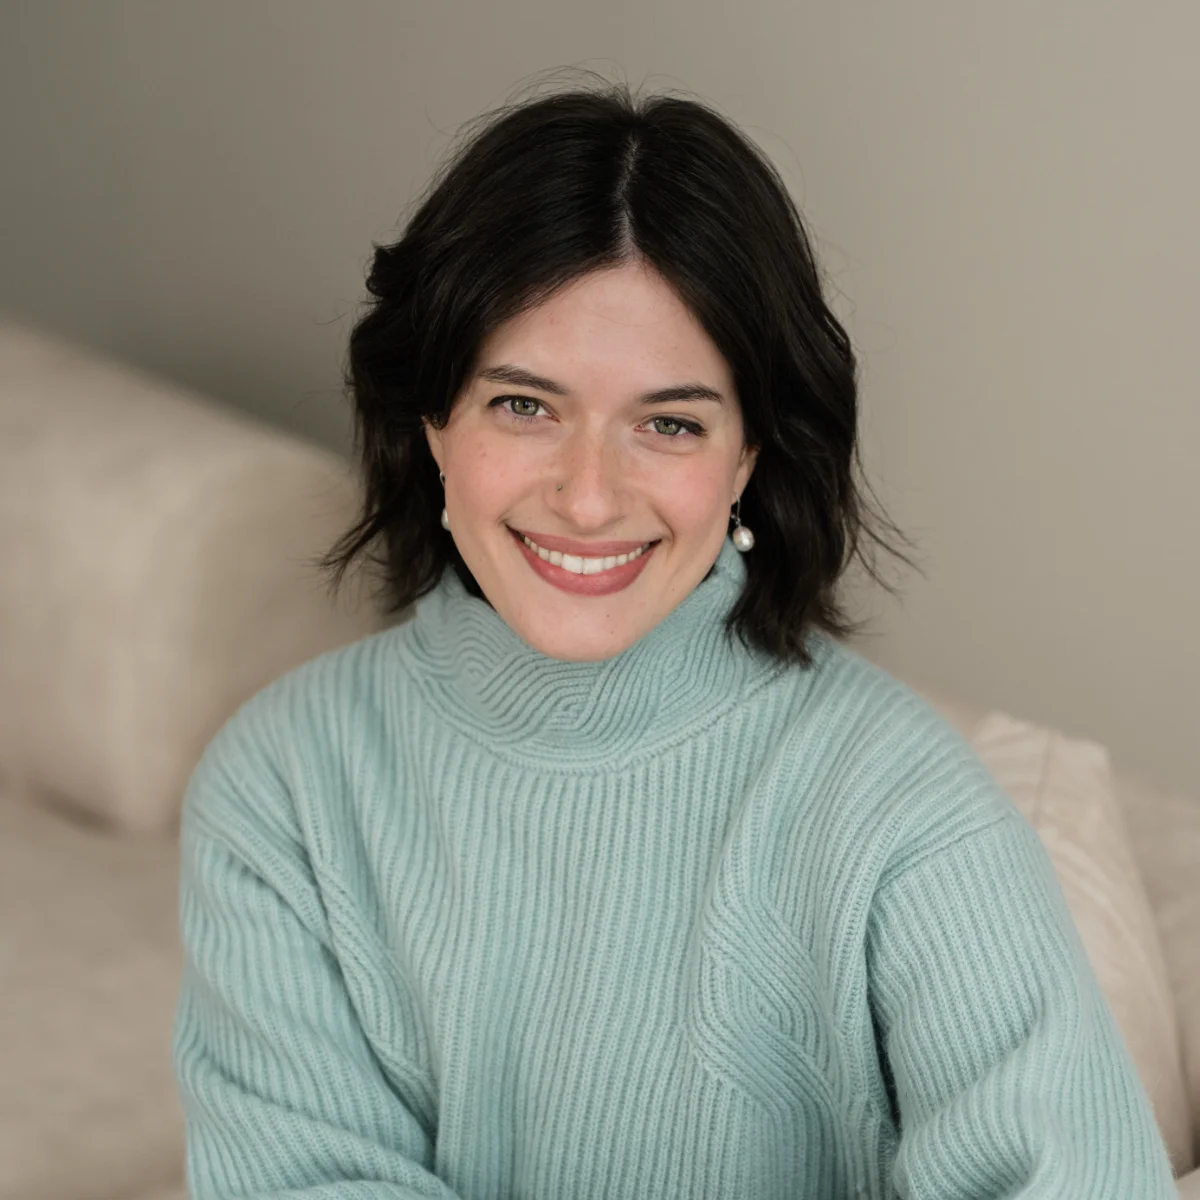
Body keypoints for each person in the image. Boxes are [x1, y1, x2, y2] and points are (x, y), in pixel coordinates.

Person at [171, 75, 1177, 1199]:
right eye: (523, 405)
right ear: (430, 424)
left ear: (749, 456)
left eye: (669, 423)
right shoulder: (282, 787)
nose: (590, 498)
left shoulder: (906, 813)